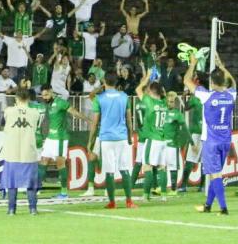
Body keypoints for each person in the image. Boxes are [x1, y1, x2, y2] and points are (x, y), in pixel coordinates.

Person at [185, 53, 235, 215]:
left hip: (211, 142)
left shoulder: (206, 95)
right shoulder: (231, 95)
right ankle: (207, 205)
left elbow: (186, 81)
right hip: (225, 140)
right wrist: (222, 67)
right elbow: (233, 82)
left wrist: (193, 64)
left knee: (215, 174)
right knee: (216, 174)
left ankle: (223, 208)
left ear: (212, 83)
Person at [88, 72, 136, 209]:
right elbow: (129, 120)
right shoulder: (124, 96)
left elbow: (95, 123)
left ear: (104, 81)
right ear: (116, 82)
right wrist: (130, 136)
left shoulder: (99, 98)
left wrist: (90, 142)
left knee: (109, 171)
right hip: (122, 137)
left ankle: (112, 202)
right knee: (125, 169)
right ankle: (129, 201)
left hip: (107, 138)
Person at [37, 85, 87, 198]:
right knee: (43, 161)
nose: (44, 97)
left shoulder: (61, 102)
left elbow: (74, 112)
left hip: (60, 138)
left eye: (46, 95)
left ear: (51, 92)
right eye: (43, 95)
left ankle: (64, 193)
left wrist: (88, 120)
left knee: (60, 164)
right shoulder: (49, 104)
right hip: (50, 138)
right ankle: (36, 189)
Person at [1, 88, 42, 215]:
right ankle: (33, 209)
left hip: (12, 151)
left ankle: (11, 209)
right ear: (29, 98)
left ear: (16, 98)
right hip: (29, 151)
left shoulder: (8, 111)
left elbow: (3, 124)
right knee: (31, 182)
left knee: (12, 182)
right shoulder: (35, 112)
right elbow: (37, 127)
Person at [135, 69, 169, 201]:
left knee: (147, 166)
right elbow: (163, 92)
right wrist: (156, 83)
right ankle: (164, 196)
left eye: (149, 90)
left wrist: (148, 76)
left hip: (152, 139)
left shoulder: (149, 102)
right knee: (162, 167)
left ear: (151, 91)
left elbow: (138, 89)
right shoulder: (165, 103)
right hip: (163, 140)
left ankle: (145, 195)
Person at [179, 73, 206, 193]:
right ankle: (202, 186)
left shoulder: (196, 97)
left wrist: (185, 96)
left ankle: (183, 185)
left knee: (190, 158)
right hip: (208, 132)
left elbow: (186, 107)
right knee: (205, 160)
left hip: (196, 131)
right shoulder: (211, 95)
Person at [162, 91, 187, 197]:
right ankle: (160, 187)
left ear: (175, 103)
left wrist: (184, 142)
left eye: (172, 102)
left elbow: (184, 128)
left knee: (172, 166)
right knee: (160, 166)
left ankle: (173, 188)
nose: (170, 103)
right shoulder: (162, 112)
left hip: (172, 144)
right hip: (161, 143)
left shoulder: (178, 114)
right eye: (168, 101)